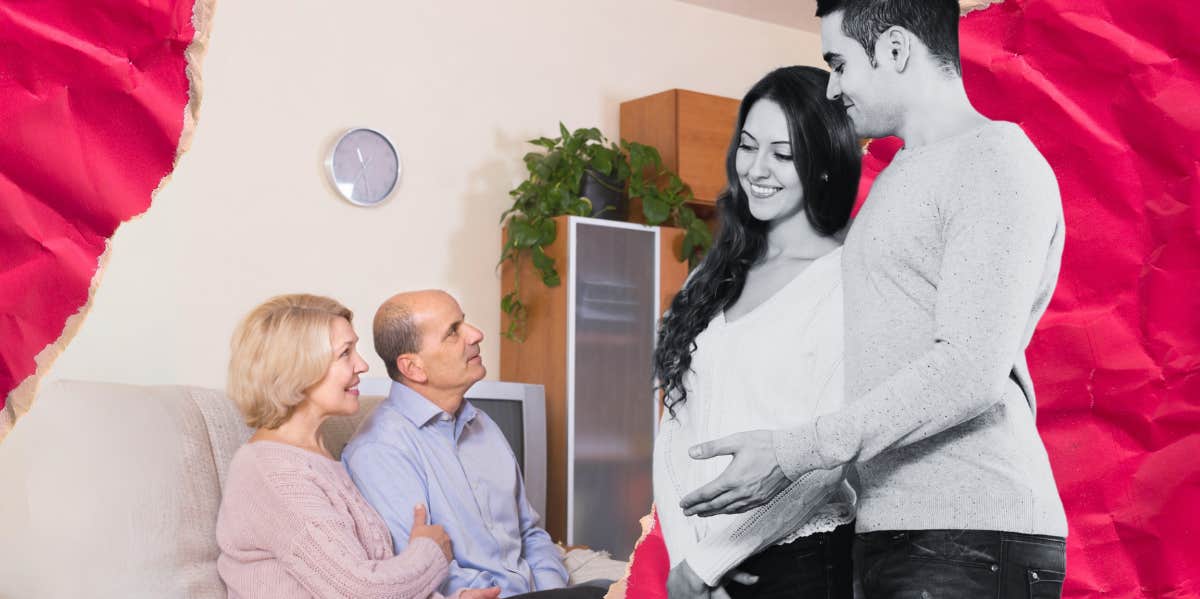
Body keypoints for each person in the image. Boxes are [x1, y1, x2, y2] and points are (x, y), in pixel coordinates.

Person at [677, 1, 1070, 597]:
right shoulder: (900, 177)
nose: (832, 88)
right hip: (899, 533)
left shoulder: (996, 163)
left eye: (839, 63)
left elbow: (969, 369)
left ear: (894, 49)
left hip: (969, 536)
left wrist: (791, 451)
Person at [651, 65, 862, 599]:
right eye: (748, 147)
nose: (757, 169)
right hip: (696, 564)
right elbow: (674, 427)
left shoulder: (844, 280)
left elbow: (827, 456)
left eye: (783, 154)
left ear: (823, 165)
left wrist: (710, 563)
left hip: (799, 563)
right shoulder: (714, 273)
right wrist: (686, 560)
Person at [215, 293, 501, 599]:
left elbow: (368, 574)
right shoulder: (274, 474)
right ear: (298, 369)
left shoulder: (316, 458)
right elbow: (359, 590)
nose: (362, 365)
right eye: (345, 354)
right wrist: (431, 552)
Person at [342, 290, 604, 599]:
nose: (476, 334)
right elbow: (412, 571)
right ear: (413, 368)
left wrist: (552, 590)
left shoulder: (483, 424)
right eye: (453, 332)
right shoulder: (378, 451)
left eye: (464, 322)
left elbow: (530, 533)